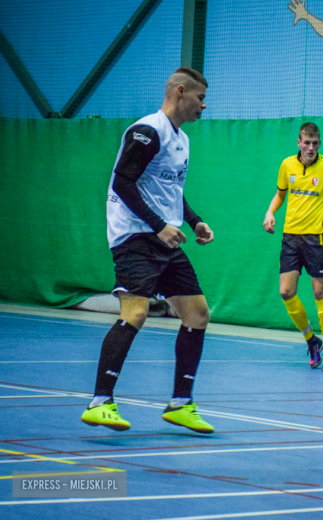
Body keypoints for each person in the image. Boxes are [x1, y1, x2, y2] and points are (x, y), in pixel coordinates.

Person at [81, 67, 215, 434]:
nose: (204, 105)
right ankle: (100, 401)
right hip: (135, 236)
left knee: (197, 313)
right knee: (137, 312)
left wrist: (194, 220)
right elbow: (123, 182)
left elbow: (169, 190)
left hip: (165, 237)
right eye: (200, 98)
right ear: (181, 92)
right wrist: (159, 225)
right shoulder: (147, 131)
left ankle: (181, 404)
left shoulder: (182, 139)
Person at [264, 123, 323, 371]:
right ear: (298, 143)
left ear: (319, 144)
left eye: (315, 143)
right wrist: (270, 212)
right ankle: (312, 341)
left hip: (317, 238)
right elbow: (280, 194)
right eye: (306, 143)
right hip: (291, 237)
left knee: (320, 293)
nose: (311, 147)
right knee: (286, 292)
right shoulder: (287, 164)